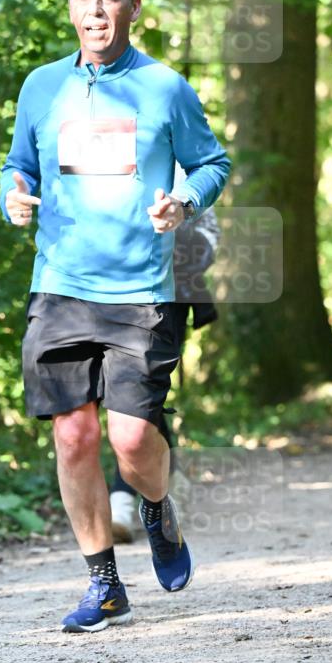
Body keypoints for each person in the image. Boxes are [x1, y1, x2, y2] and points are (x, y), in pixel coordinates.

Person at [0, 0, 231, 633]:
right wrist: (11, 196)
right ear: (69, 7)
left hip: (143, 287)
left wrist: (183, 202)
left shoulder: (164, 88)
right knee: (72, 435)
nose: (94, 9)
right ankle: (103, 585)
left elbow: (211, 162)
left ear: (132, 6)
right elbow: (18, 167)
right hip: (60, 286)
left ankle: (156, 508)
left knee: (131, 443)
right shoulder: (42, 86)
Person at [110, 197, 221, 541]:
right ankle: (166, 489)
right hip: (105, 297)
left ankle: (123, 502)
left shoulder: (183, 170)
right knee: (129, 401)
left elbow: (209, 237)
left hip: (168, 300)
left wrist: (172, 239)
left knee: (141, 399)